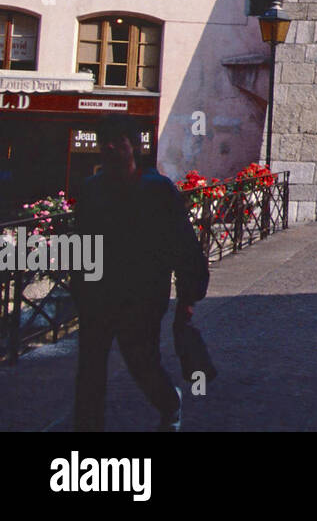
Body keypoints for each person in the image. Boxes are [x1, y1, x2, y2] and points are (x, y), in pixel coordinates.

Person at [70, 116, 209, 432]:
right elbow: (81, 242)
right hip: (97, 296)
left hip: (142, 296)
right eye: (104, 141)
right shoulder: (91, 189)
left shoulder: (158, 190)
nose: (109, 147)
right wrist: (78, 288)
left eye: (118, 141)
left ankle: (169, 404)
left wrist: (188, 296)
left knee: (142, 363)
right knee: (90, 370)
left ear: (134, 146)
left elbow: (183, 244)